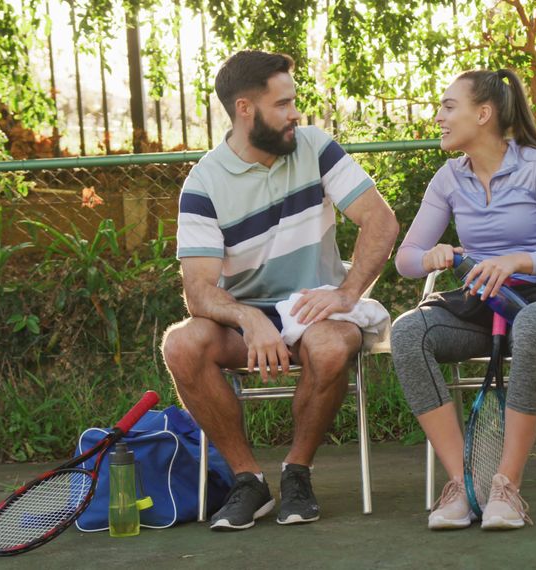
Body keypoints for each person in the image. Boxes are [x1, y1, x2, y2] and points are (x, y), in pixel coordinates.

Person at [162, 50, 398, 531]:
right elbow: (198, 290)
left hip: (319, 311)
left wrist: (348, 293)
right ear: (245, 109)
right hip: (245, 322)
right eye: (283, 104)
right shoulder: (204, 182)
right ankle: (248, 479)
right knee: (181, 343)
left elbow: (380, 221)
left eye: (294, 102)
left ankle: (298, 471)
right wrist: (249, 320)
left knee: (331, 345)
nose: (295, 114)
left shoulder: (315, 146)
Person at [390, 69, 536, 531]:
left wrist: (517, 261)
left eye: (449, 107)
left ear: (483, 114)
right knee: (408, 331)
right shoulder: (448, 178)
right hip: (478, 305)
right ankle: (463, 485)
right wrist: (434, 256)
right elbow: (405, 260)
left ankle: (505, 485)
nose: (440, 117)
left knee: (532, 328)